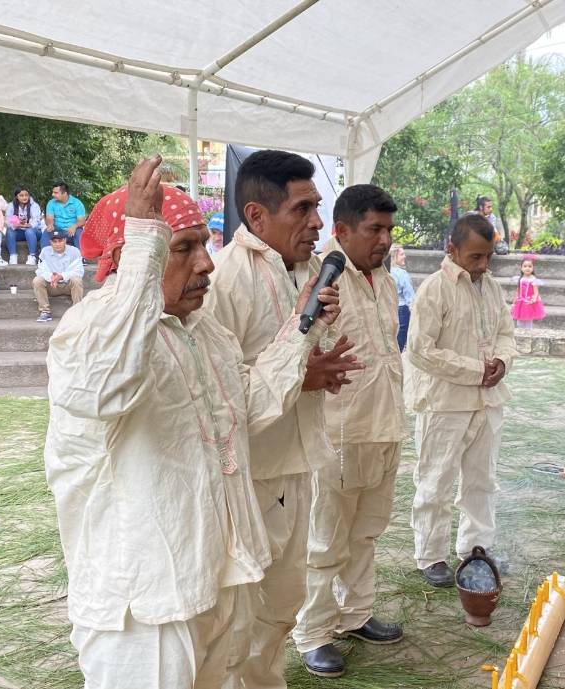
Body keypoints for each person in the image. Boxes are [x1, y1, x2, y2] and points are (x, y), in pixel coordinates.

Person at [47, 156, 342, 689]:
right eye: (184, 248)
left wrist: (301, 330)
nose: (206, 264)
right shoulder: (88, 330)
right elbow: (106, 387)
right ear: (132, 256)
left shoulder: (204, 333)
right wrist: (144, 239)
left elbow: (247, 409)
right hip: (145, 603)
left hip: (217, 577)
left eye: (204, 245)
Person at [203, 149, 362, 689]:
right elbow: (218, 395)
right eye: (304, 208)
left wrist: (319, 371)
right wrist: (303, 373)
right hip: (248, 476)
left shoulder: (311, 272)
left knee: (284, 603)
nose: (318, 221)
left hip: (296, 464)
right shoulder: (224, 278)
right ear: (256, 216)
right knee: (241, 616)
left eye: (317, 206)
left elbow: (299, 355)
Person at [293, 185, 404, 678]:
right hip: (339, 431)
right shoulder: (324, 278)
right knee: (326, 538)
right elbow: (301, 352)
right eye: (373, 229)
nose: (383, 240)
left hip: (384, 425)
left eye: (388, 230)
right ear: (339, 231)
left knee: (367, 531)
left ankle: (356, 613)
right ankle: (313, 631)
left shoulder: (385, 278)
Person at [405, 213, 516, 587]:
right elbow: (420, 350)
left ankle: (475, 547)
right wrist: (475, 370)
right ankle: (430, 554)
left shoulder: (492, 287)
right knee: (436, 480)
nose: (483, 265)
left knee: (482, 480)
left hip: (488, 400)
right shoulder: (434, 289)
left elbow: (506, 332)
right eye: (475, 257)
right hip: (445, 402)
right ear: (451, 250)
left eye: (488, 257)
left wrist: (502, 360)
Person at [33, 229, 84, 322]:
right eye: (54, 241)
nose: (57, 244)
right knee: (37, 280)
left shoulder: (75, 251)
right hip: (52, 286)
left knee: (77, 280)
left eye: (60, 241)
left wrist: (61, 276)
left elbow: (78, 271)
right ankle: (45, 311)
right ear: (50, 242)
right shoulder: (45, 251)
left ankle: (77, 311)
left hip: (68, 285)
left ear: (65, 240)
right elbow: (40, 270)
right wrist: (51, 277)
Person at [7, 186, 45, 265]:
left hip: (34, 232)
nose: (24, 197)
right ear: (16, 197)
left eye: (26, 195)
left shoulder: (34, 205)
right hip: (19, 232)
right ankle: (13, 256)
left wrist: (25, 225)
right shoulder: (11, 205)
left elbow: (36, 221)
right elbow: (8, 221)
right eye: (21, 195)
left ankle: (32, 256)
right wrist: (16, 225)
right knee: (9, 231)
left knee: (29, 231)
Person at [46, 182, 87, 248]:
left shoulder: (77, 203)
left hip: (72, 231)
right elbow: (49, 219)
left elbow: (82, 221)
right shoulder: (51, 203)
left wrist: (75, 226)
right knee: (47, 232)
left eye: (55, 193)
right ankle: (44, 256)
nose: (52, 194)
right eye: (53, 192)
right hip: (57, 230)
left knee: (79, 232)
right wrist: (50, 224)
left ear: (64, 193)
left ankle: (81, 257)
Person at [389, 245, 414, 351]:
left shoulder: (385, 272)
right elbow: (411, 298)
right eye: (402, 254)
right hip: (402, 311)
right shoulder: (402, 274)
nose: (405, 256)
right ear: (394, 256)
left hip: (388, 309)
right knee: (398, 346)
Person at [510, 253, 545, 329]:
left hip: (528, 302)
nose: (527, 268)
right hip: (520, 302)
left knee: (528, 320)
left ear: (533, 268)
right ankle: (520, 330)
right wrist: (514, 302)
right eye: (525, 266)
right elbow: (518, 291)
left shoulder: (533, 279)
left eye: (530, 266)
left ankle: (528, 331)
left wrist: (534, 299)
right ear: (521, 268)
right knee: (519, 319)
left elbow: (536, 292)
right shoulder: (520, 279)